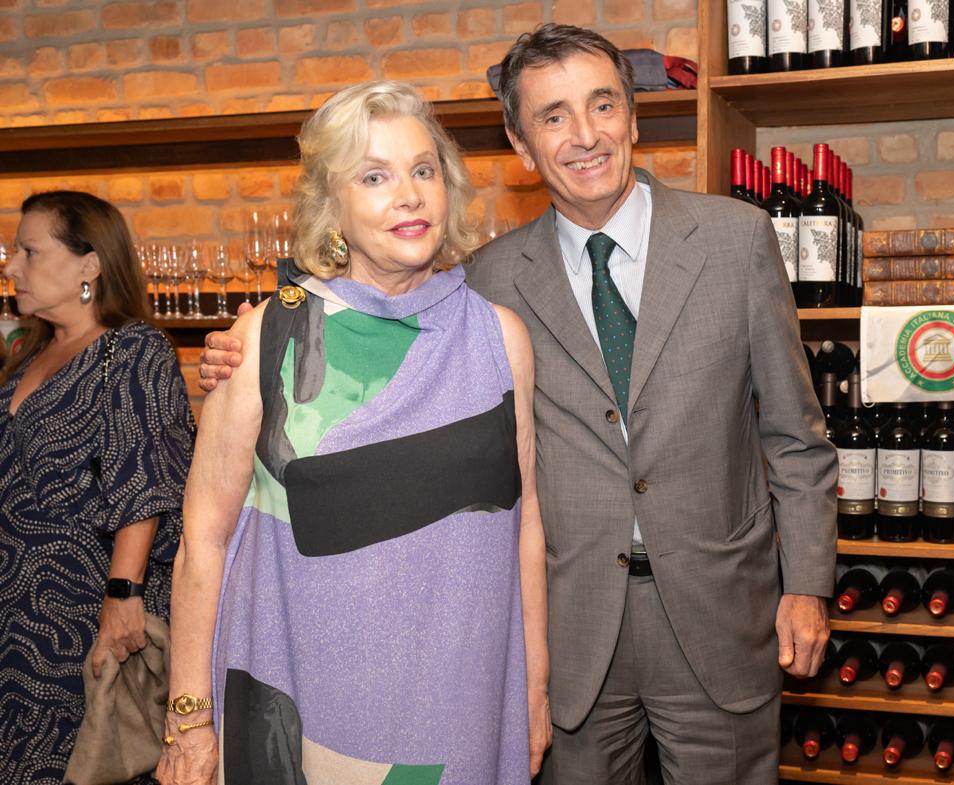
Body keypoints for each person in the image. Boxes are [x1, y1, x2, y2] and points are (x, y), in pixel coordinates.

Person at [200, 25, 835, 784]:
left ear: (633, 117)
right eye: (553, 117)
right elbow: (367, 303)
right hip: (568, 635)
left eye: (603, 105)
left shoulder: (737, 240)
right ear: (521, 145)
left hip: (722, 615)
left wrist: (806, 584)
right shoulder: (485, 282)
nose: (585, 135)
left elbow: (795, 435)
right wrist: (245, 346)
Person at [158, 80, 549, 785]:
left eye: (423, 170)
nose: (409, 195)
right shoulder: (267, 336)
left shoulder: (500, 338)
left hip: (462, 702)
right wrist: (188, 720)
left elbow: (526, 528)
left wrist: (535, 688)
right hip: (302, 708)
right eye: (374, 176)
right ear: (331, 206)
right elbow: (202, 542)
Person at [0, 191, 195, 785]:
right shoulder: (29, 353)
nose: (12, 266)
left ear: (89, 264)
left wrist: (123, 596)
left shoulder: (132, 349)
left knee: (85, 761)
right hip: (15, 616)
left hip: (81, 615)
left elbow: (146, 478)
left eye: (29, 251)